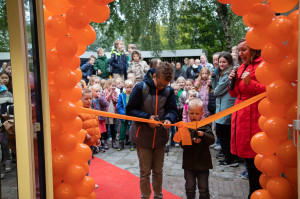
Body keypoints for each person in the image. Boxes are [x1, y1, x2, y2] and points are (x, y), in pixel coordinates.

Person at [126, 62, 177, 199]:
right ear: (154, 76)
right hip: (142, 138)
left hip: (160, 138)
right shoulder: (140, 88)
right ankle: (145, 196)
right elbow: (129, 111)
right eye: (160, 84)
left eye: (166, 85)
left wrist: (168, 119)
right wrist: (147, 118)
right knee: (145, 172)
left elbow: (172, 110)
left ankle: (158, 196)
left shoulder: (168, 91)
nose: (162, 87)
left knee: (158, 171)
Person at [228, 38, 265, 198]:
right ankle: (253, 192)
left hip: (255, 116)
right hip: (242, 116)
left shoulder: (263, 65)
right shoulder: (242, 66)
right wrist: (232, 82)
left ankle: (256, 192)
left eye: (244, 50)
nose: (240, 54)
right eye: (239, 50)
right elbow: (235, 93)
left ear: (254, 49)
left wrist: (250, 84)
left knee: (255, 158)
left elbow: (270, 89)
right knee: (248, 160)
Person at [181, 98, 215, 199]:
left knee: (203, 189)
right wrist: (192, 141)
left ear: (202, 113)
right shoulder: (185, 127)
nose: (194, 116)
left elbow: (212, 140)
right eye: (191, 113)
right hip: (189, 164)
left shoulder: (206, 125)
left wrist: (203, 135)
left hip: (203, 163)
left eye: (196, 114)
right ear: (187, 113)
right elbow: (183, 145)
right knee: (190, 188)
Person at [212, 52, 238, 167]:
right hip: (221, 107)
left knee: (224, 134)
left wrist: (216, 85)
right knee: (222, 133)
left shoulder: (228, 74)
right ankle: (228, 156)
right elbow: (215, 88)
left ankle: (231, 158)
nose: (221, 64)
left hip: (226, 108)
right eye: (220, 61)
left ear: (229, 62)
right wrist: (213, 78)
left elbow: (217, 91)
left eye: (224, 62)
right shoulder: (222, 73)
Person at [78, 88, 101, 189]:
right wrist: (84, 134)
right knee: (82, 164)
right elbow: (77, 126)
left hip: (91, 142)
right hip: (83, 143)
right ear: (80, 99)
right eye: (86, 99)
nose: (89, 101)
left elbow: (95, 125)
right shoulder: (79, 111)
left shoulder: (92, 110)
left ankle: (85, 180)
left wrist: (98, 138)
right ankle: (82, 181)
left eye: (90, 99)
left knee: (88, 163)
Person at [117, 79, 134, 151]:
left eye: (130, 87)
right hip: (124, 116)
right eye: (127, 87)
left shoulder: (134, 95)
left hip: (131, 115)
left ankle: (132, 143)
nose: (129, 89)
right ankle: (121, 143)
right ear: (125, 87)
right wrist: (122, 112)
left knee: (131, 129)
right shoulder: (121, 95)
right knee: (122, 130)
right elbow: (119, 106)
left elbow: (135, 105)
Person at [91, 84, 109, 152]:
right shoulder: (91, 98)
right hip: (94, 118)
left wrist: (100, 98)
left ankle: (102, 144)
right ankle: (96, 145)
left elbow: (106, 104)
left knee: (101, 132)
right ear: (92, 92)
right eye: (96, 91)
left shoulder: (101, 97)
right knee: (95, 132)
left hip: (100, 118)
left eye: (99, 91)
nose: (98, 93)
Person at [102, 79, 119, 149]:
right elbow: (104, 100)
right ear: (108, 85)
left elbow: (116, 100)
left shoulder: (115, 92)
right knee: (105, 127)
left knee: (112, 127)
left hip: (112, 111)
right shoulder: (104, 92)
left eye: (115, 86)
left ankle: (113, 141)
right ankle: (105, 141)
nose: (114, 87)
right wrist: (109, 94)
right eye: (112, 85)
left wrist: (112, 95)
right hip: (106, 111)